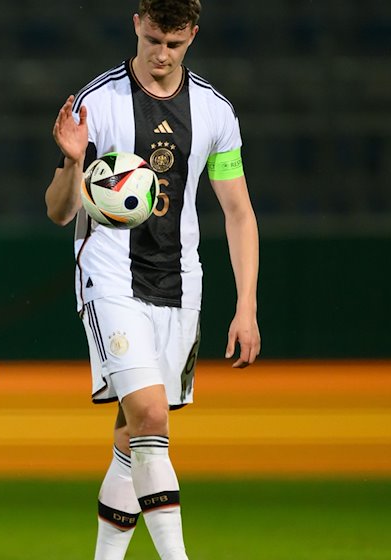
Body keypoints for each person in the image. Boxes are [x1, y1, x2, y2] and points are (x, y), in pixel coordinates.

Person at [44, 1, 261, 559]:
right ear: (136, 24)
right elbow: (59, 213)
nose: (161, 56)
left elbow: (237, 211)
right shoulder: (100, 101)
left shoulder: (215, 112)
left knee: (132, 437)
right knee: (150, 415)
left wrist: (246, 306)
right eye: (153, 41)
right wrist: (72, 164)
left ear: (192, 35)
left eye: (174, 45)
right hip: (111, 279)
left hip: (180, 284)